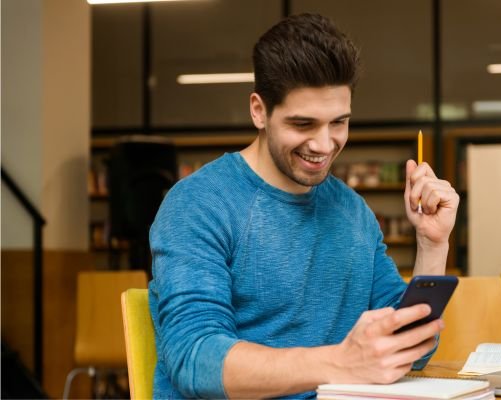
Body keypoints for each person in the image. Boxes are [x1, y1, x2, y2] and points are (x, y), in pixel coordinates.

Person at [148, 13, 459, 399]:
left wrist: (432, 245)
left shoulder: (353, 211)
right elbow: (195, 360)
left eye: (338, 123)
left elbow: (409, 353)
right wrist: (340, 363)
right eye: (303, 124)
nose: (325, 145)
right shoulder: (199, 204)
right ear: (259, 111)